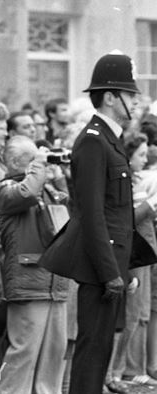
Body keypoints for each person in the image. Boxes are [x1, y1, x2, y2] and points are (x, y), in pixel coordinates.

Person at [40, 50, 157, 394]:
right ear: (110, 97)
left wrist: (124, 266)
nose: (136, 102)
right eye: (130, 94)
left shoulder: (110, 139)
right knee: (92, 352)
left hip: (111, 264)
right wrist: (110, 272)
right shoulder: (93, 142)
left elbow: (117, 212)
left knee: (101, 349)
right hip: (99, 267)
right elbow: (91, 214)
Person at [0, 136, 71, 394]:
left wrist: (59, 176)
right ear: (15, 162)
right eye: (32, 159)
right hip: (29, 283)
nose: (41, 164)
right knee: (24, 354)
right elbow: (26, 193)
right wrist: (40, 163)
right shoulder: (6, 189)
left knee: (54, 353)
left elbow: (68, 210)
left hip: (55, 281)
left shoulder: (45, 187)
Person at [107, 133, 157, 391]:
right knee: (130, 314)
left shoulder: (138, 179)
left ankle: (131, 368)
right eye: (140, 154)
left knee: (142, 313)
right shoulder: (125, 182)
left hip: (145, 253)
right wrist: (151, 204)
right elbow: (127, 220)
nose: (145, 158)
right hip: (133, 254)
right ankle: (122, 370)